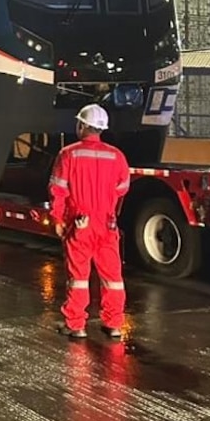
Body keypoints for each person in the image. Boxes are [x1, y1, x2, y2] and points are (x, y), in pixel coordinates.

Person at [48, 104, 131, 340]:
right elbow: (122, 187)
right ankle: (114, 324)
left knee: (78, 278)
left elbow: (58, 190)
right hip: (107, 224)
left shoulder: (69, 154)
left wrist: (57, 217)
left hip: (80, 224)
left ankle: (76, 325)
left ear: (83, 126)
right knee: (113, 278)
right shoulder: (116, 156)